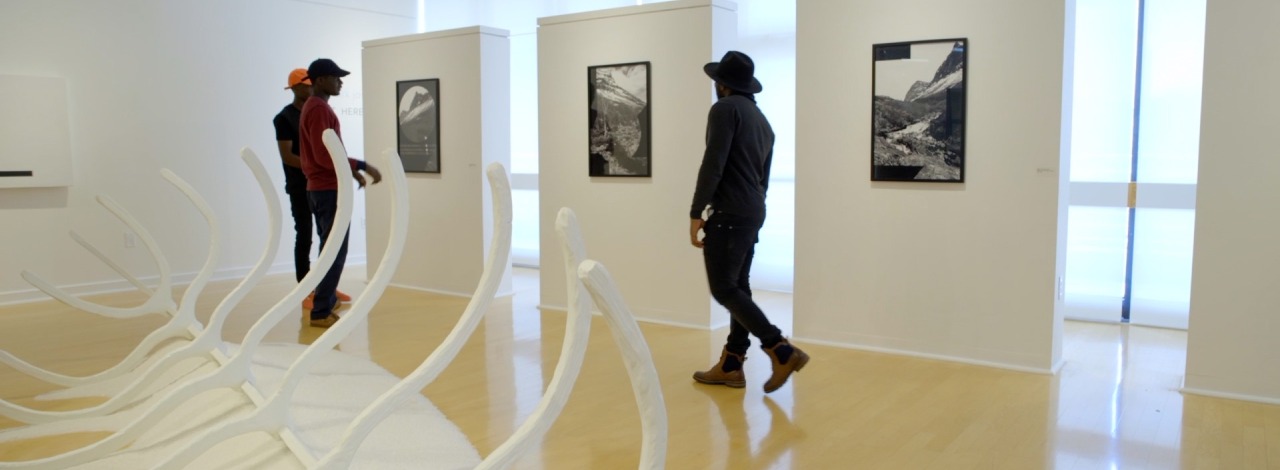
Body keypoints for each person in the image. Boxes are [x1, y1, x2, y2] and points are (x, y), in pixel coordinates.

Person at [688, 50, 809, 393]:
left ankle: (780, 349)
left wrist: (697, 212)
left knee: (724, 287)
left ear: (721, 84)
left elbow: (714, 163)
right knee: (738, 284)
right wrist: (753, 207)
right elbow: (763, 177)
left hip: (729, 212)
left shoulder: (724, 109)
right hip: (753, 208)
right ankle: (731, 364)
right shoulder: (761, 119)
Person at [298, 58, 382, 328]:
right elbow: (324, 155)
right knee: (334, 250)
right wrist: (362, 165)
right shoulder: (318, 109)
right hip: (326, 190)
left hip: (322, 187)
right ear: (321, 80)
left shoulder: (315, 107)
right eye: (336, 77)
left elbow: (326, 155)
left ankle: (326, 300)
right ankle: (321, 310)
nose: (340, 82)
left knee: (329, 248)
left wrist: (350, 173)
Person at [272, 68, 351, 310]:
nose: (310, 88)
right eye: (306, 84)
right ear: (295, 88)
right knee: (304, 234)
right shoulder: (284, 118)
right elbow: (287, 155)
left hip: (316, 183)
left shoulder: (314, 110)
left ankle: (323, 286)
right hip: (300, 185)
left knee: (324, 236)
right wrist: (313, 165)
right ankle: (305, 288)